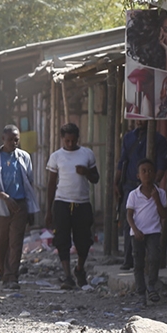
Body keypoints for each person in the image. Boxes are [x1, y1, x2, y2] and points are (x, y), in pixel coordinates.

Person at [0, 125, 39, 291]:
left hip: (19, 206)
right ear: (3, 139)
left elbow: (29, 183)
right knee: (0, 243)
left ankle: (12, 276)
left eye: (16, 140)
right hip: (0, 207)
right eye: (10, 140)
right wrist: (5, 197)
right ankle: (4, 273)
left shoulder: (24, 157)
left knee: (16, 242)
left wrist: (30, 209)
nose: (13, 143)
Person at [46, 123, 100, 290]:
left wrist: (86, 172)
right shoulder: (56, 157)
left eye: (73, 140)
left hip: (82, 203)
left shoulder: (87, 154)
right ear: (62, 139)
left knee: (84, 240)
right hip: (61, 202)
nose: (70, 144)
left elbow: (96, 178)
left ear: (78, 138)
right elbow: (51, 184)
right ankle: (68, 276)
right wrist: (49, 210)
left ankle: (79, 269)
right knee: (62, 240)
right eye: (67, 140)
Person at [114, 120, 167, 270]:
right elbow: (122, 162)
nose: (139, 121)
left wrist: (152, 185)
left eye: (142, 117)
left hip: (150, 188)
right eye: (137, 117)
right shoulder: (129, 137)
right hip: (130, 185)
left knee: (151, 221)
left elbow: (162, 165)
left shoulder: (159, 140)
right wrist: (116, 182)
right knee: (129, 222)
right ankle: (129, 259)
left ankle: (151, 261)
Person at [125, 158, 167, 306]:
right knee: (138, 263)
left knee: (155, 258)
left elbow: (164, 214)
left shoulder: (160, 193)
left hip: (154, 231)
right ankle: (141, 293)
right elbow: (129, 215)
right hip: (137, 233)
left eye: (150, 171)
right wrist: (135, 230)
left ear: (155, 174)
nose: (147, 174)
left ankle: (151, 285)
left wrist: (156, 199)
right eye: (144, 171)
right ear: (138, 176)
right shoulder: (133, 194)